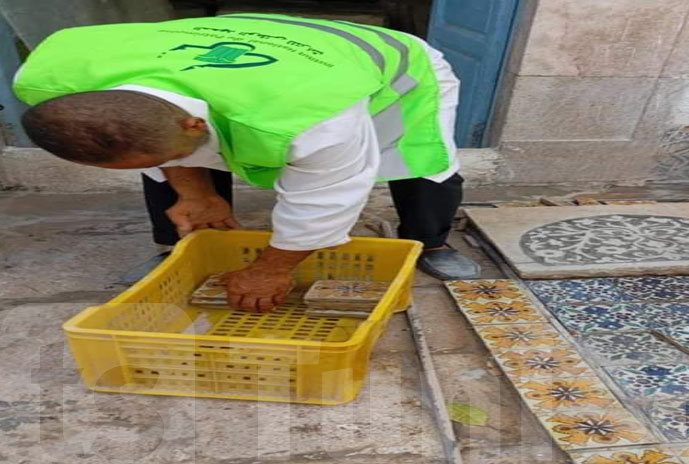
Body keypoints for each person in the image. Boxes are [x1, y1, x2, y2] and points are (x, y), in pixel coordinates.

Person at [13, 13, 481, 313]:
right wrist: (194, 193)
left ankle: (432, 242)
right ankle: (176, 246)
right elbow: (155, 141)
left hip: (386, 65)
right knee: (169, 165)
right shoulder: (59, 78)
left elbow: (330, 195)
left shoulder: (306, 113)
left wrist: (272, 268)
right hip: (242, 57)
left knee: (420, 158)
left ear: (193, 125)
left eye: (168, 152)